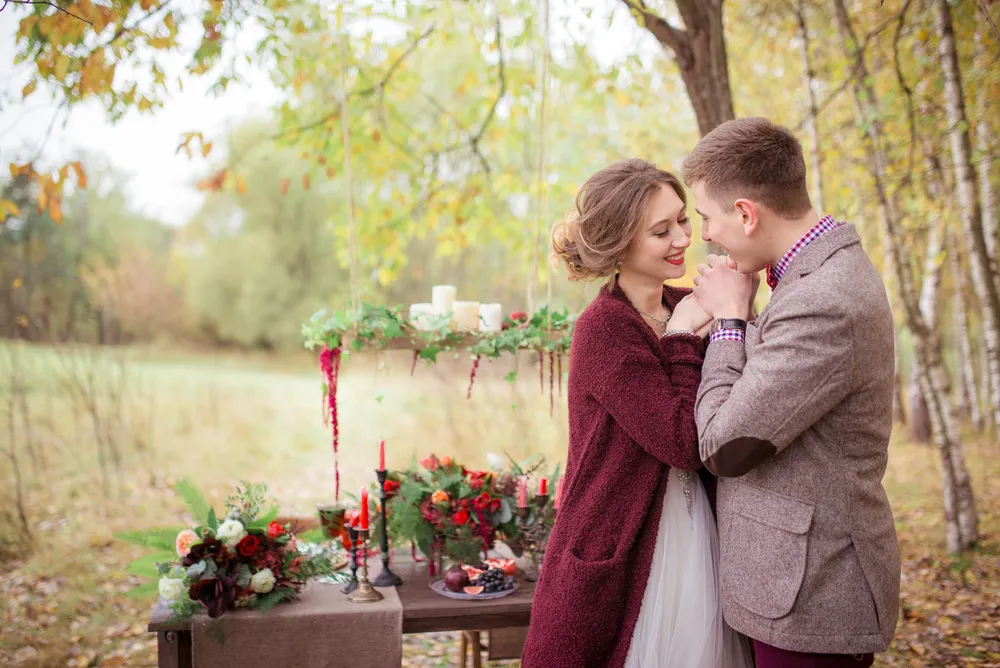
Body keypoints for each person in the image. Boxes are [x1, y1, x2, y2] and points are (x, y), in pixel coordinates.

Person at [521, 158, 753, 668]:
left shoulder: (691, 303)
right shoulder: (604, 329)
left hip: (699, 529)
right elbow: (680, 442)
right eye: (661, 230)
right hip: (623, 540)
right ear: (621, 243)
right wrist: (680, 338)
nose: (683, 238)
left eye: (683, 220)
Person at [686, 117, 901, 668]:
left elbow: (724, 444)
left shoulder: (824, 298)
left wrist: (731, 319)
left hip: (812, 595)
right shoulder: (816, 274)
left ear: (745, 213)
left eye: (708, 217)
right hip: (796, 584)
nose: (705, 234)